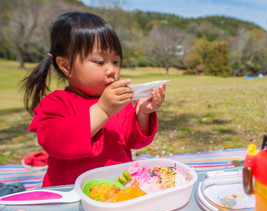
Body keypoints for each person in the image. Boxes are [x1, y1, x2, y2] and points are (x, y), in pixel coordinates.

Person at [21, 11, 166, 187]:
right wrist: (102, 110)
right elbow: (53, 141)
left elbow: (133, 141)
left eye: (115, 62)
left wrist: (143, 114)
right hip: (69, 194)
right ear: (66, 66)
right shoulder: (56, 102)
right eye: (99, 62)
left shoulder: (118, 101)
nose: (111, 70)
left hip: (116, 189)